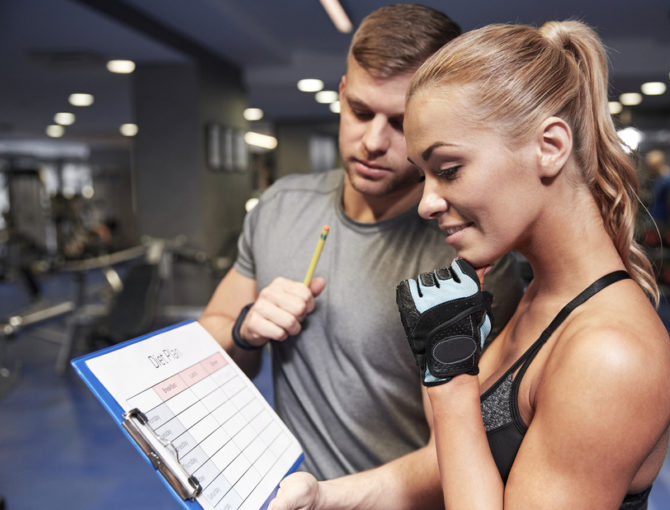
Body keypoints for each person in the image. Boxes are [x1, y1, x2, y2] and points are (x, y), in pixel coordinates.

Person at [271, 19, 670, 510]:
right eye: (424, 176)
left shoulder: (610, 353)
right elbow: (458, 464)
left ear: (549, 147)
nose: (426, 203)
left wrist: (450, 385)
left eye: (448, 170)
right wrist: (324, 498)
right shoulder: (545, 297)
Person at [198, 4, 523, 482]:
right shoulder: (282, 204)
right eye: (360, 111)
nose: (372, 141)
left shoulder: (471, 257)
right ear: (343, 93)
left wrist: (329, 498)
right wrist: (245, 330)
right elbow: (212, 336)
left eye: (398, 122)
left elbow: (459, 459)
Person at [645, 149, 670, 226]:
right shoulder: (658, 178)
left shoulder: (669, 179)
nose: (650, 170)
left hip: (663, 221)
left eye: (651, 167)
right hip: (654, 218)